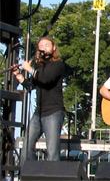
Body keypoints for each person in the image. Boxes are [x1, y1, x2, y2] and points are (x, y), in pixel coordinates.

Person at [12, 37, 66, 166]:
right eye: (41, 46)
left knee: (52, 152)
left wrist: (29, 69)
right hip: (38, 112)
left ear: (53, 48)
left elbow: (46, 79)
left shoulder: (58, 65)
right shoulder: (39, 68)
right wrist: (19, 75)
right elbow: (31, 86)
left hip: (53, 112)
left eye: (47, 45)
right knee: (26, 148)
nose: (43, 48)